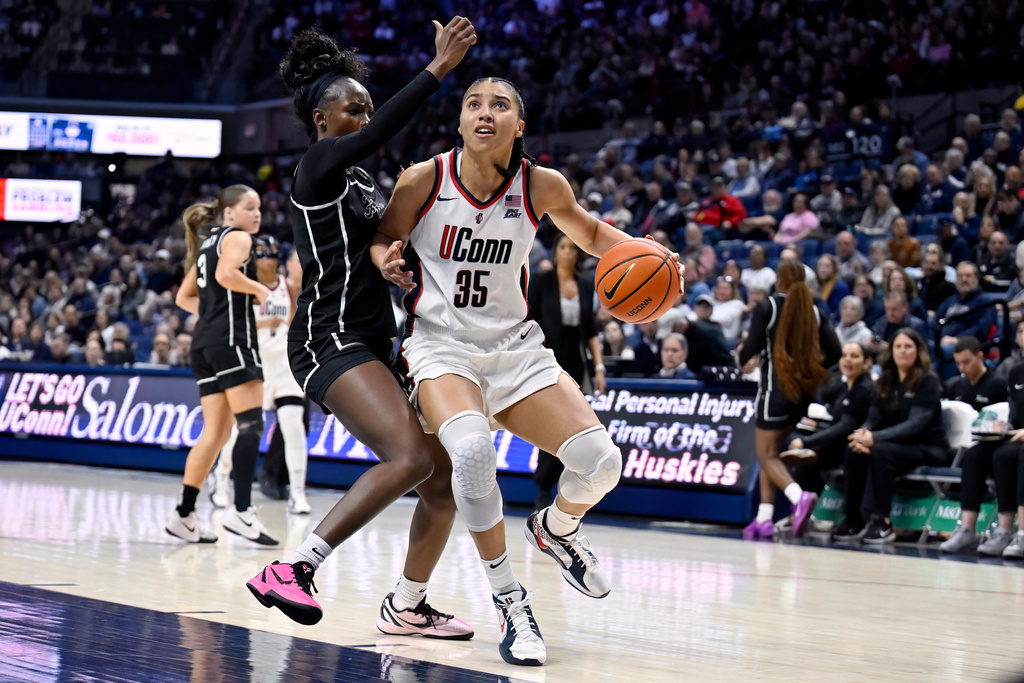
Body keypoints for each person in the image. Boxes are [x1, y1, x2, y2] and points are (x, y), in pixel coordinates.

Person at [372, 75, 681, 667]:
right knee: (468, 454)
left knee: (601, 463)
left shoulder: (540, 184)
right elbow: (386, 234)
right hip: (441, 347)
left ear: (519, 124)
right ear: (460, 122)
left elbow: (590, 233)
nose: (485, 112)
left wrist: (651, 254)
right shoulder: (423, 180)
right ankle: (512, 601)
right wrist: (384, 257)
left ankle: (557, 528)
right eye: (473, 104)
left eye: (501, 104)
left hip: (515, 348)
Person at [245, 22, 478, 639]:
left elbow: (375, 241)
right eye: (353, 109)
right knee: (407, 458)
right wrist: (438, 71)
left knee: (441, 484)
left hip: (375, 341)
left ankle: (409, 603)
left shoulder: (362, 183)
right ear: (322, 119)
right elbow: (382, 132)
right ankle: (294, 568)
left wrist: (392, 262)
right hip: (328, 336)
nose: (364, 118)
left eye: (367, 108)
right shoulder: (316, 166)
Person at [166, 185, 277, 546]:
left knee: (215, 434)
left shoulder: (207, 245)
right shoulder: (239, 239)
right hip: (232, 341)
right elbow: (227, 276)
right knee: (250, 426)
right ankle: (242, 513)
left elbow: (184, 297)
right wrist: (260, 292)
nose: (256, 214)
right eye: (249, 207)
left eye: (259, 208)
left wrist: (214, 313)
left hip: (204, 342)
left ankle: (183, 515)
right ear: (229, 213)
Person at [737, 260, 842, 540]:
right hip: (803, 395)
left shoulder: (768, 307)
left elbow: (751, 348)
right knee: (768, 454)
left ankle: (799, 497)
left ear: (779, 281)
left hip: (775, 391)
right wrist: (810, 365)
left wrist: (741, 358)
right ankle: (765, 518)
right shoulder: (814, 311)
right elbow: (835, 352)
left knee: (768, 455)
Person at [212, 237, 312, 515]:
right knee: (242, 431)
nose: (268, 258)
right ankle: (220, 478)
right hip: (255, 366)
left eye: (272, 253)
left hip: (284, 367)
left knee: (294, 427)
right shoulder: (242, 288)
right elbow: (232, 328)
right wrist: (263, 323)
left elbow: (295, 323)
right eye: (262, 254)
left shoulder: (288, 288)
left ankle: (298, 493)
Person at [842, 329, 949, 543]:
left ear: (918, 351)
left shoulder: (928, 382)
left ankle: (882, 521)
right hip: (896, 445)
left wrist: (876, 438)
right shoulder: (886, 381)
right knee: (855, 450)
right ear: (890, 352)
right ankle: (854, 519)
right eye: (898, 346)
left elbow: (914, 425)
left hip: (927, 447)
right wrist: (863, 434)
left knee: (880, 450)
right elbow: (874, 417)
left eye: (908, 346)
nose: (902, 351)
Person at [527, 232, 606, 511]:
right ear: (555, 251)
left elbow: (591, 331)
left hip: (575, 360)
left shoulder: (586, 285)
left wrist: (598, 367)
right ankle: (542, 487)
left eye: (573, 247)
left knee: (572, 426)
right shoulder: (541, 281)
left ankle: (565, 487)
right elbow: (528, 319)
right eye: (562, 246)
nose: (568, 252)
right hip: (546, 358)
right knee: (549, 424)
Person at [780, 342, 876, 500]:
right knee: (789, 431)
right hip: (836, 440)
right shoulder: (844, 384)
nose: (848, 360)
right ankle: (802, 508)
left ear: (866, 362)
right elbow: (824, 394)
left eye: (854, 356)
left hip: (850, 446)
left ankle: (803, 509)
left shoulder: (864, 389)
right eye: (844, 356)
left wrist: (806, 442)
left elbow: (844, 427)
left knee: (807, 457)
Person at [943, 336, 1007, 411]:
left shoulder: (998, 384)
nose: (962, 368)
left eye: (966, 362)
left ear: (980, 356)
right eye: (958, 363)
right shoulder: (954, 386)